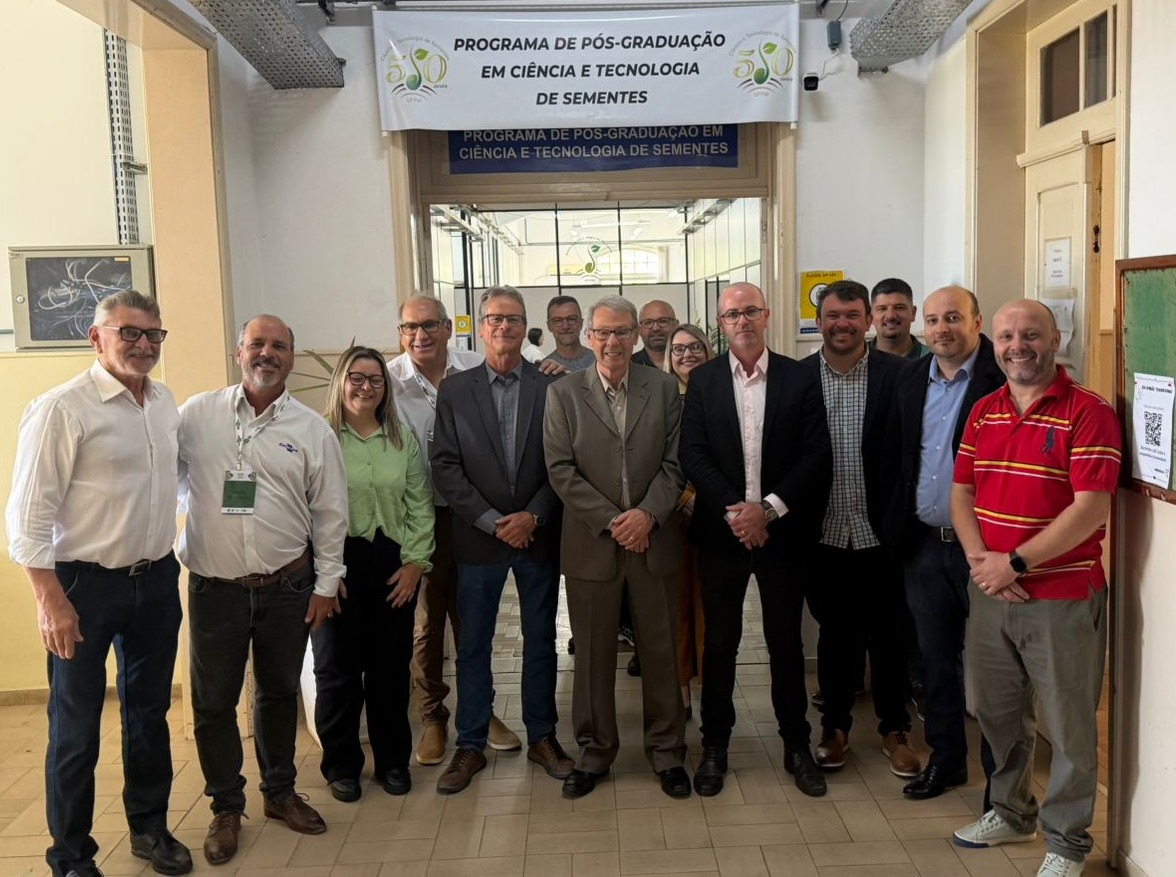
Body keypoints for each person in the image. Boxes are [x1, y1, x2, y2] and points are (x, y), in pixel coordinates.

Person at [5, 290, 191, 877]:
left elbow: (173, 486)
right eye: (129, 332)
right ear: (97, 337)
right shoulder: (62, 409)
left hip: (155, 581)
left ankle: (150, 829)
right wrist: (50, 601)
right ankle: (71, 855)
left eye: (153, 334)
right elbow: (26, 519)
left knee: (149, 716)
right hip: (81, 589)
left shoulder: (163, 402)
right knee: (77, 727)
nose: (143, 344)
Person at [950, 299, 1121, 877]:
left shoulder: (1088, 412)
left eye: (1030, 335)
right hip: (990, 588)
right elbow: (962, 493)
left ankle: (1067, 843)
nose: (1017, 346)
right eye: (1006, 337)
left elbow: (1091, 508)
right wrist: (983, 564)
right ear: (993, 343)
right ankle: (1011, 812)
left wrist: (1016, 564)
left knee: (1069, 726)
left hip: (1061, 596)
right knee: (994, 709)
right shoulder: (984, 410)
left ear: (1055, 340)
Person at [179, 314, 348, 866]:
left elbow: (330, 512)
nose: (267, 354)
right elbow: (166, 481)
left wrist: (326, 584)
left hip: (287, 585)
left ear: (291, 357)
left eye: (279, 346)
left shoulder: (311, 429)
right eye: (257, 343)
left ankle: (279, 793)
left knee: (277, 692)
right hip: (215, 590)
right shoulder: (197, 415)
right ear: (239, 352)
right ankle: (226, 807)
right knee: (213, 702)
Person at [680, 282, 833, 798]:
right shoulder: (703, 380)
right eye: (731, 315)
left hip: (782, 534)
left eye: (750, 311)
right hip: (721, 534)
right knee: (719, 643)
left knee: (785, 641)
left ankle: (796, 744)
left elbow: (816, 453)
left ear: (766, 316)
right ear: (720, 324)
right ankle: (715, 745)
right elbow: (692, 452)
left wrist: (766, 510)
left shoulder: (799, 376)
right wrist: (736, 512)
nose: (741, 321)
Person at [543, 295, 690, 800]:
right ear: (589, 336)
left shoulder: (663, 387)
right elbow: (560, 469)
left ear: (636, 336)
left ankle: (667, 752)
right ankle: (594, 751)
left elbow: (676, 462)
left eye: (623, 331)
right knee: (592, 656)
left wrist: (647, 515)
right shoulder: (563, 394)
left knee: (661, 651)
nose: (613, 341)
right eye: (604, 332)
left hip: (655, 539)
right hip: (592, 545)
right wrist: (613, 521)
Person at [430, 285, 572, 795]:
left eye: (513, 318)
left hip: (537, 536)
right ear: (480, 326)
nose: (504, 327)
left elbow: (563, 463)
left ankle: (543, 736)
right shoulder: (455, 389)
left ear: (524, 324)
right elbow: (445, 466)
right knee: (473, 646)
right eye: (495, 318)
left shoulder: (551, 385)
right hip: (478, 539)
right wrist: (492, 521)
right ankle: (470, 743)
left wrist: (532, 516)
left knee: (541, 642)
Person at [389, 294, 521, 765]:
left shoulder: (472, 368)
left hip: (470, 514)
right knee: (427, 624)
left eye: (429, 325)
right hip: (418, 516)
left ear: (448, 327)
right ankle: (433, 717)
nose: (420, 335)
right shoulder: (387, 382)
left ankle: (479, 712)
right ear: (400, 333)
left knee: (473, 619)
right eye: (410, 327)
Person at [802, 280, 920, 780]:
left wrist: (902, 521)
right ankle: (834, 728)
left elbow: (913, 453)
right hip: (823, 531)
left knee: (890, 634)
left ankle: (896, 730)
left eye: (853, 315)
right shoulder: (798, 378)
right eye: (833, 316)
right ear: (819, 322)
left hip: (883, 531)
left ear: (868, 321)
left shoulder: (903, 376)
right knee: (835, 635)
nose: (842, 324)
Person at [893, 286, 1003, 801]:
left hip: (986, 550)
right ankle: (948, 760)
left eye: (954, 318)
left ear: (977, 322)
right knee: (935, 660)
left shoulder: (1003, 378)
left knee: (996, 667)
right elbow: (897, 458)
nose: (942, 329)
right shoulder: (911, 378)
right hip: (924, 546)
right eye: (934, 320)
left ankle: (1002, 781)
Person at [311, 346, 435, 803]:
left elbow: (420, 505)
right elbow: (303, 507)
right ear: (341, 382)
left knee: (389, 671)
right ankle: (341, 765)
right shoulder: (319, 437)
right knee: (337, 672)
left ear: (386, 388)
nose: (366, 387)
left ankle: (393, 762)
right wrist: (324, 572)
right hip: (336, 564)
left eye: (376, 380)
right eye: (357, 378)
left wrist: (415, 564)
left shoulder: (402, 441)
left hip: (391, 567)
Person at [663, 324, 714, 717]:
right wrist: (682, 498)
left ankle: (713, 692)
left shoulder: (721, 392)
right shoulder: (660, 398)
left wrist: (708, 497)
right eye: (678, 349)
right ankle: (680, 692)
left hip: (715, 514)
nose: (687, 355)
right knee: (676, 609)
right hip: (671, 517)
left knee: (711, 609)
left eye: (695, 347)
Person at [869, 278, 927, 360]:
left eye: (899, 308)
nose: (890, 316)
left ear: (913, 313)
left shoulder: (934, 360)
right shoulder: (856, 358)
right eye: (882, 309)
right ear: (871, 316)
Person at [544, 295, 597, 372]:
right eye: (558, 320)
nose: (565, 326)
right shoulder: (546, 369)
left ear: (581, 323)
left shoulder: (600, 362)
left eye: (571, 319)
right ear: (549, 326)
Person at [631, 300, 678, 369]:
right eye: (648, 322)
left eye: (663, 321)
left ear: (676, 325)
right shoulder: (628, 366)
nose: (655, 328)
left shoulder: (688, 362)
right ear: (639, 330)